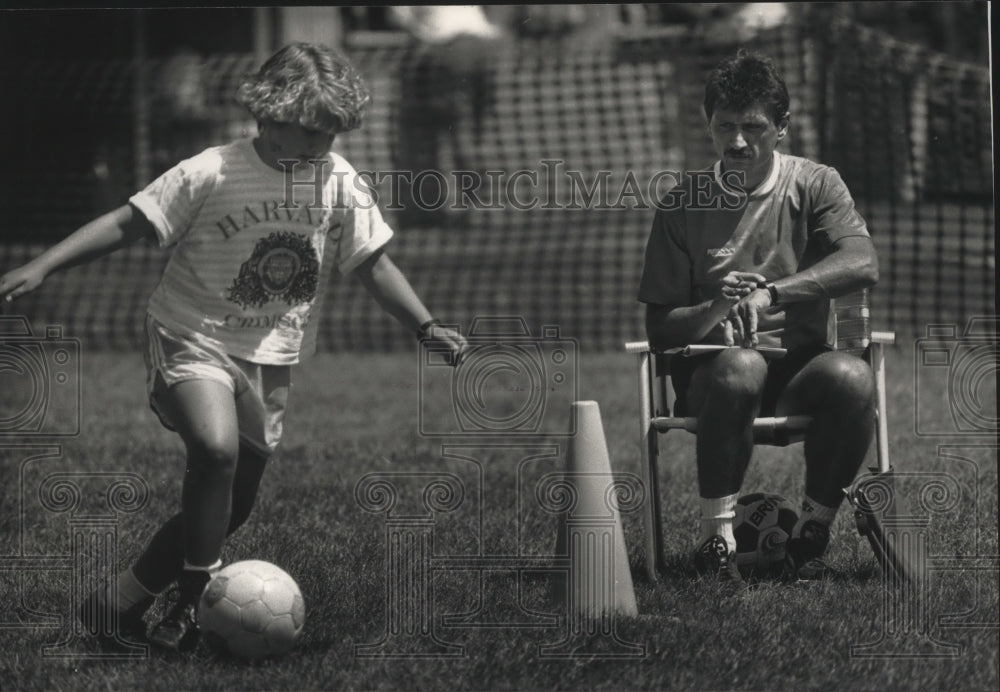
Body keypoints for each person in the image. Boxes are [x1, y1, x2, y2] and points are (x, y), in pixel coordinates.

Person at [0, 42, 467, 651]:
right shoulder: (210, 170)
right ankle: (196, 597)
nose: (318, 147)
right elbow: (127, 221)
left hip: (270, 355)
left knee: (233, 507)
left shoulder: (338, 179)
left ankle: (114, 606)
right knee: (214, 452)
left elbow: (375, 266)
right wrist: (44, 266)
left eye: (330, 135)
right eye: (307, 132)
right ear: (266, 113)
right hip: (190, 335)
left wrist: (426, 327)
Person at [637, 50, 879, 586]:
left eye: (754, 126)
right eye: (726, 125)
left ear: (782, 128)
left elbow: (863, 261)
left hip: (798, 370)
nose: (739, 140)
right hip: (713, 376)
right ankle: (716, 544)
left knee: (854, 376)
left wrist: (771, 294)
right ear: (709, 124)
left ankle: (811, 537)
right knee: (741, 365)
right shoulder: (682, 203)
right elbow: (659, 331)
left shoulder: (816, 184)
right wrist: (718, 306)